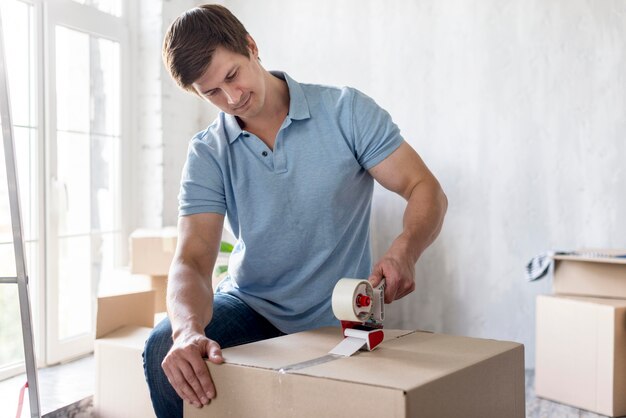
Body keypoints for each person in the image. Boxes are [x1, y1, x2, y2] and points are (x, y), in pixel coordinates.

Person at [143, 4, 447, 418]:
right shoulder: (208, 152)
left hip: (340, 313)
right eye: (211, 92)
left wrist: (405, 250)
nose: (231, 98)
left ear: (251, 46)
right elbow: (193, 258)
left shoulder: (345, 111)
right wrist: (187, 331)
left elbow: (423, 187)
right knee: (165, 347)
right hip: (254, 306)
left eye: (232, 75)